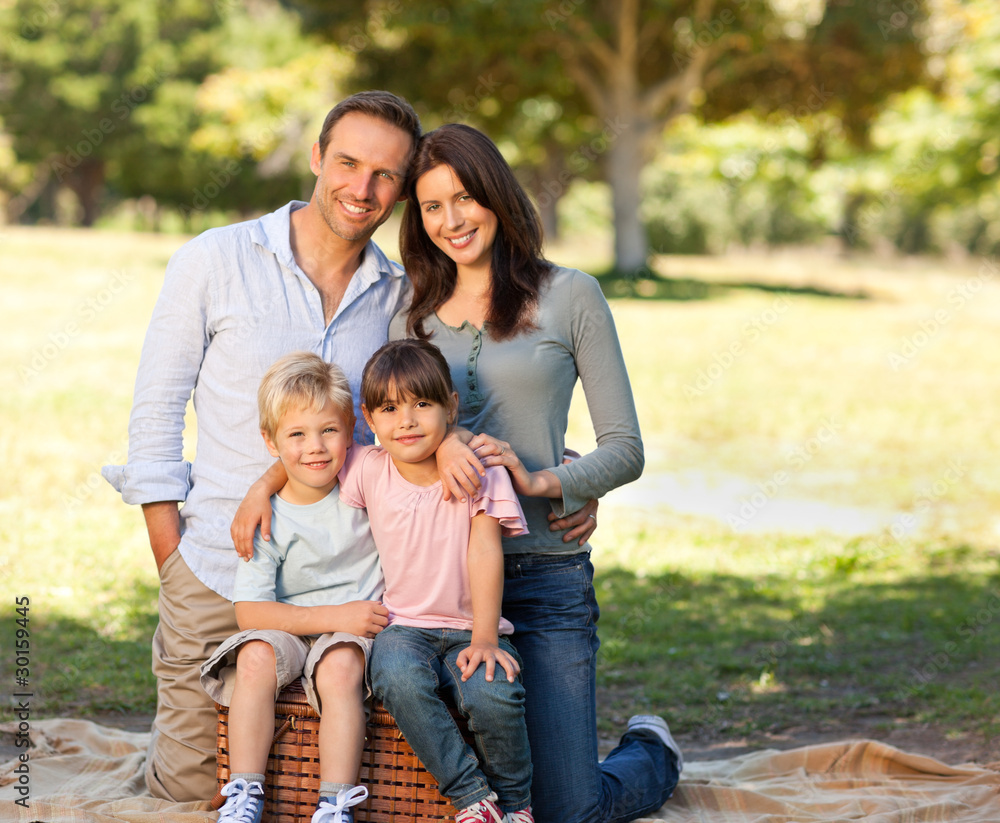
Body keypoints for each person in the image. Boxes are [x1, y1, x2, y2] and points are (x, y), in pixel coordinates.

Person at [102, 91, 425, 802]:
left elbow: (416, 426)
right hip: (219, 569)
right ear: (316, 157)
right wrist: (173, 557)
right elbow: (156, 408)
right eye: (347, 162)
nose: (362, 189)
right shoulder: (214, 259)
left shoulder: (398, 294)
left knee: (332, 780)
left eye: (385, 175)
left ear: (403, 187)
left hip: (348, 578)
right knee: (190, 791)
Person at [391, 123, 684, 823]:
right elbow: (393, 432)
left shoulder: (571, 295)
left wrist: (554, 481)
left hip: (547, 575)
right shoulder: (413, 312)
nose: (452, 220)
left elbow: (626, 446)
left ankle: (651, 749)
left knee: (567, 811)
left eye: (464, 197)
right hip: (444, 590)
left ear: (496, 193)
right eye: (432, 206)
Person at [344, 338, 538, 823]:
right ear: (368, 418)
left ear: (451, 407)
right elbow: (307, 461)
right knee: (395, 675)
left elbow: (486, 549)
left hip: (474, 625)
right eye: (389, 409)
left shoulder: (480, 472)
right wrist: (261, 491)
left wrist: (487, 638)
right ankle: (474, 799)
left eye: (422, 404)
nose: (406, 421)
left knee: (492, 694)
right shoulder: (368, 468)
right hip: (404, 627)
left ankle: (518, 808)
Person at [201, 353, 387, 823]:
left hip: (352, 633)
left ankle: (335, 804)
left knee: (341, 667)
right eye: (297, 435)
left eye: (329, 430)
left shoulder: (370, 481)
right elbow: (250, 613)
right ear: (271, 441)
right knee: (254, 656)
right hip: (293, 626)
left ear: (351, 428)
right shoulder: (266, 516)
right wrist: (336, 617)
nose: (315, 447)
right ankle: (243, 794)